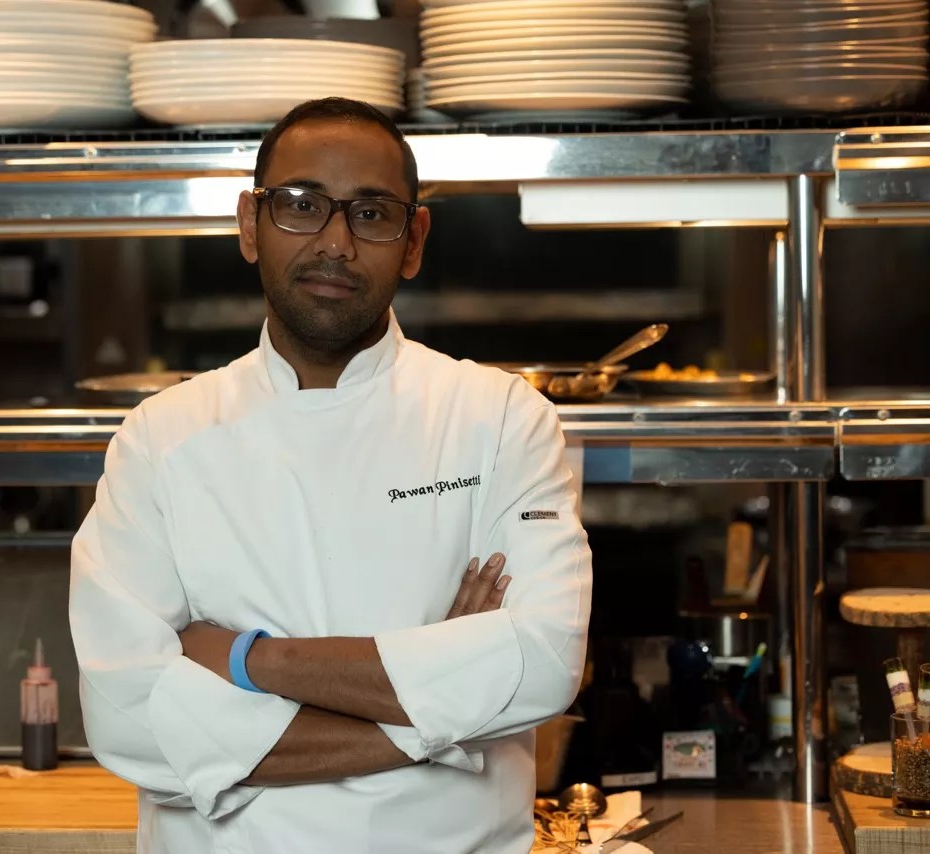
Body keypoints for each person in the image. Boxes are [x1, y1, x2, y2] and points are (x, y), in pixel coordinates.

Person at [69, 97, 592, 853]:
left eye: (371, 213)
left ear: (413, 240)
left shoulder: (500, 418)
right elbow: (129, 719)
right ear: (250, 224)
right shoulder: (161, 437)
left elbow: (541, 667)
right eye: (302, 206)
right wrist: (443, 714)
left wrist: (249, 660)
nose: (336, 243)